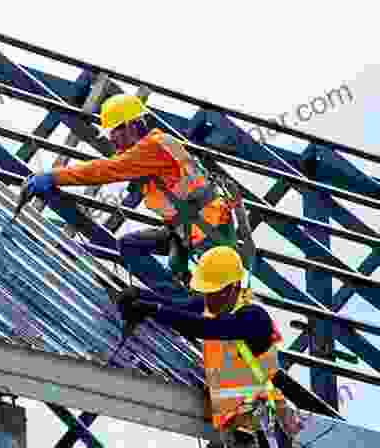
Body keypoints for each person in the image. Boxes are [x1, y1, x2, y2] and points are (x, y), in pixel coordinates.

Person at [25, 93, 235, 285]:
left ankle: (183, 305)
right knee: (130, 245)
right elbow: (116, 165)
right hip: (192, 226)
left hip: (206, 227)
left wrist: (54, 176)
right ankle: (174, 297)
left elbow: (107, 170)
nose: (110, 137)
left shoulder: (152, 148)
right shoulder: (153, 145)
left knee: (214, 292)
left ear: (131, 126)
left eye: (114, 130)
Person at [115, 246, 301, 447]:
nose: (209, 299)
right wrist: (139, 295)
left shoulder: (253, 317)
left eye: (215, 292)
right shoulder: (213, 305)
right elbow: (177, 306)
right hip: (234, 424)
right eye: (206, 292)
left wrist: (153, 309)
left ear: (234, 286)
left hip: (259, 426)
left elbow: (207, 327)